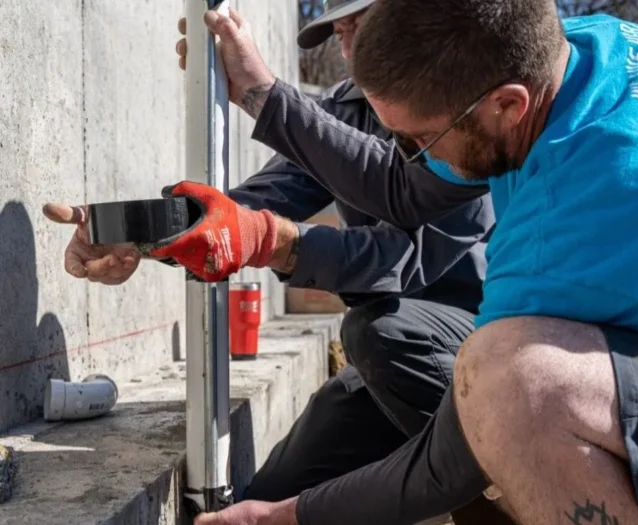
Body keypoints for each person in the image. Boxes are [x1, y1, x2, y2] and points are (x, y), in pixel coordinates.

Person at [160, 1, 638, 525]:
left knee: (516, 392)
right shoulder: (572, 52)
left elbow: (454, 457)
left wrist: (291, 516)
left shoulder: (584, 208)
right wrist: (256, 97)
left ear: (507, 105)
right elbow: (402, 187)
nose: (406, 153)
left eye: (416, 140)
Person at [43, 1, 511, 524]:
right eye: (340, 33)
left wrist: (270, 235)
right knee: (267, 500)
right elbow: (244, 207)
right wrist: (134, 234)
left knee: (381, 330)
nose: (352, 49)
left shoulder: (462, 107)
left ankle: (506, 497)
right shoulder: (347, 109)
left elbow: (402, 259)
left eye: (363, 25)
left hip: (478, 349)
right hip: (387, 365)